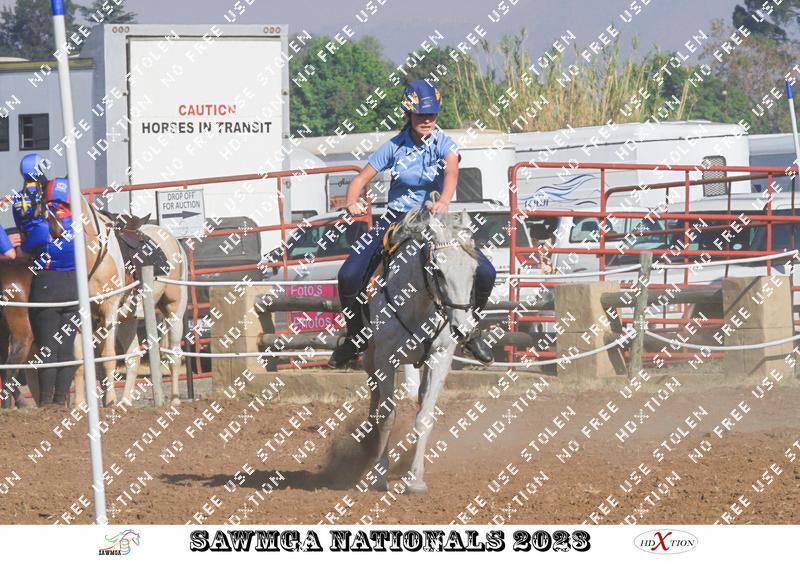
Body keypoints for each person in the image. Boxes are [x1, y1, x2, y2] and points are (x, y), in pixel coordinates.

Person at [328, 80, 496, 368]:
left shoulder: (445, 144)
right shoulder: (394, 146)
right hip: (396, 218)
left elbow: (452, 172)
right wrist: (352, 201)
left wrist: (444, 201)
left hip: (436, 219)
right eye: (421, 115)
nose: (427, 120)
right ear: (409, 114)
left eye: (432, 114)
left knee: (486, 272)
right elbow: (359, 180)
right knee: (348, 274)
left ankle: (471, 331)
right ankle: (355, 337)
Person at [13, 154, 79, 408]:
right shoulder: (77, 225)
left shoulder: (41, 226)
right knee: (66, 350)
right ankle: (61, 401)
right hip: (73, 288)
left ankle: (45, 403)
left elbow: (24, 251)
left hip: (46, 287)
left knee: (47, 350)